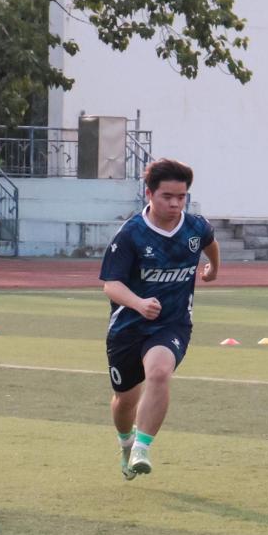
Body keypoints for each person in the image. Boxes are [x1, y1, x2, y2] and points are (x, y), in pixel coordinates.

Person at [99, 158, 220, 479]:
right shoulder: (131, 234)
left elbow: (210, 243)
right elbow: (111, 285)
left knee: (159, 372)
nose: (175, 204)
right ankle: (126, 443)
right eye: (168, 197)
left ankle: (142, 446)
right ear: (149, 194)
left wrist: (213, 269)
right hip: (128, 327)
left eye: (181, 197)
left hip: (172, 323)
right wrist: (138, 303)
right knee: (125, 400)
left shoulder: (195, 227)